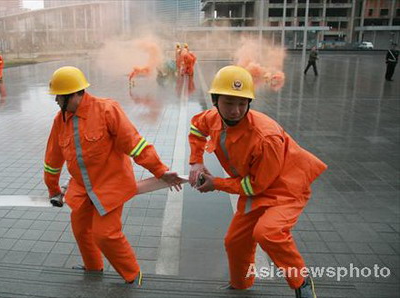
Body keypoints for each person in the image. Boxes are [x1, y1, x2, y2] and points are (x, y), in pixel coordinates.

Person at [188, 65, 327, 298]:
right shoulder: (212, 117)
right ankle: (240, 286)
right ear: (215, 101)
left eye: (242, 103)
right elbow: (196, 127)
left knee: (268, 232)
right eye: (229, 103)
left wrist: (217, 184)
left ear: (250, 103)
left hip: (286, 189)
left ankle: (301, 282)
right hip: (254, 186)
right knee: (234, 241)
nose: (235, 110)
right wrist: (196, 162)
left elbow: (256, 186)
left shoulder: (265, 137)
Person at [43, 66, 182, 287]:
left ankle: (133, 275)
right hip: (81, 189)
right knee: (81, 230)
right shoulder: (60, 121)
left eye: (60, 96)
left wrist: (160, 171)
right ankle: (93, 268)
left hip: (110, 186)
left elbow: (135, 144)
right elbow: (52, 159)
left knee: (105, 234)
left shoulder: (107, 110)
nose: (56, 101)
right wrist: (53, 189)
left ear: (76, 94)